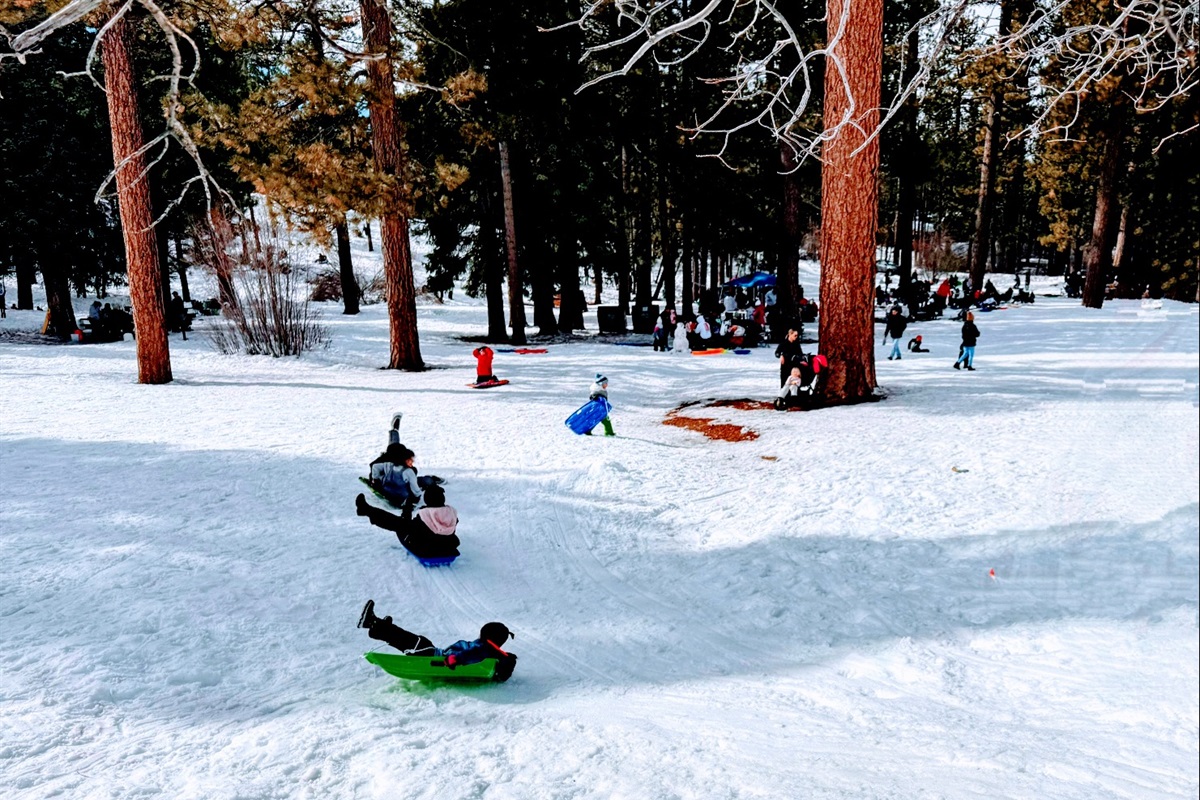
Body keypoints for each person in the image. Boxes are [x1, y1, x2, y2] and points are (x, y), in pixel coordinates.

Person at [357, 601, 517, 681]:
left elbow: (471, 655)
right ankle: (381, 628)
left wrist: (455, 659)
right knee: (414, 643)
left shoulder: (482, 648)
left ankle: (375, 625)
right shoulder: (489, 649)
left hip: (436, 657)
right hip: (437, 654)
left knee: (416, 643)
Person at [356, 485, 460, 559]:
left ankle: (366, 509)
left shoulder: (425, 516)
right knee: (406, 525)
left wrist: (407, 511)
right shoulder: (452, 513)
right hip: (447, 548)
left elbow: (408, 525)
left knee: (398, 523)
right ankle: (366, 510)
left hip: (428, 550)